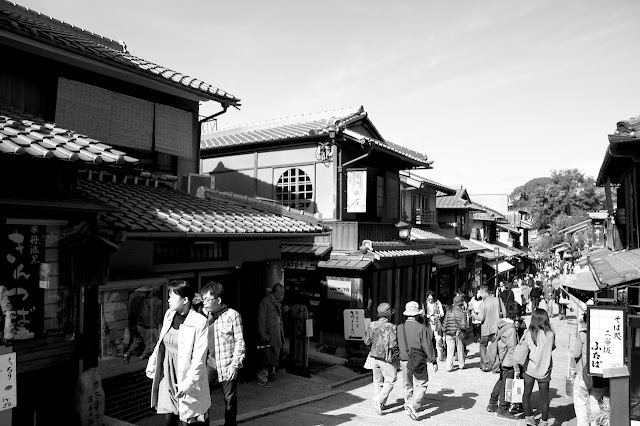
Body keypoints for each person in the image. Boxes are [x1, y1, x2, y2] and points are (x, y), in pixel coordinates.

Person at [145, 280, 210, 426]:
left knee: (188, 421)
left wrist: (187, 384)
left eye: (172, 297)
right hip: (167, 376)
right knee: (169, 419)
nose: (168, 300)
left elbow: (199, 359)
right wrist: (153, 363)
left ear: (185, 300)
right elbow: (160, 343)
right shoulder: (169, 314)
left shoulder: (199, 322)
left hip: (186, 377)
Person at [201, 281, 246, 426]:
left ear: (218, 300)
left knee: (229, 400)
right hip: (209, 363)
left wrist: (234, 365)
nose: (205, 303)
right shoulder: (204, 315)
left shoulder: (233, 315)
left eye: (208, 299)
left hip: (227, 363)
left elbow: (240, 341)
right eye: (203, 299)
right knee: (202, 398)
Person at [397, 301, 438, 421]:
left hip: (404, 359)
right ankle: (413, 405)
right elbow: (427, 345)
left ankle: (408, 403)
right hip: (418, 360)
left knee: (407, 383)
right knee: (421, 383)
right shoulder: (421, 328)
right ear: (417, 314)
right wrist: (433, 360)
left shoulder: (399, 328)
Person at [521, 309, 556, 426]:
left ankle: (529, 418)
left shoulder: (529, 333)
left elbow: (523, 348)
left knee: (527, 394)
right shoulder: (550, 334)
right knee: (545, 399)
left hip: (529, 369)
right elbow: (552, 348)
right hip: (544, 370)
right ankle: (544, 421)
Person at [364, 302, 399, 416]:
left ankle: (380, 404)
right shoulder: (391, 327)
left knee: (377, 381)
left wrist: (372, 349)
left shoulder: (372, 325)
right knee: (391, 379)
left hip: (374, 356)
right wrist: (397, 356)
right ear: (388, 315)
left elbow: (367, 341)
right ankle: (379, 399)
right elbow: (393, 345)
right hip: (386, 357)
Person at [487, 302, 521, 418]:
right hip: (508, 361)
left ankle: (492, 403)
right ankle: (503, 409)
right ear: (517, 316)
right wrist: (516, 368)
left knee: (501, 381)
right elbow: (512, 350)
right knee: (507, 385)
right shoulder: (511, 330)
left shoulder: (501, 324)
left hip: (501, 358)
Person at [573, 312, 605, 425]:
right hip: (600, 375)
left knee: (580, 402)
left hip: (584, 374)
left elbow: (576, 354)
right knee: (595, 402)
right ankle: (595, 424)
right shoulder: (606, 335)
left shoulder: (583, 334)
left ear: (586, 322)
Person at [257, 283, 285, 387]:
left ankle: (271, 374)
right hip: (269, 334)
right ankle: (262, 377)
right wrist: (262, 334)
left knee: (275, 355)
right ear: (276, 292)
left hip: (277, 332)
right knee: (267, 356)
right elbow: (261, 320)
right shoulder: (265, 301)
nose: (282, 296)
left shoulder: (276, 302)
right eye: (281, 293)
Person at [473, 286, 506, 372]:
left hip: (486, 329)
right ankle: (496, 365)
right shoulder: (498, 300)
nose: (480, 295)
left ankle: (485, 364)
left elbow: (481, 318)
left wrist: (474, 315)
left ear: (484, 293)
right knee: (496, 345)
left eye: (481, 294)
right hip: (497, 328)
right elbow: (504, 313)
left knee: (483, 345)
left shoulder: (483, 304)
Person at [443, 295, 468, 371]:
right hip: (458, 333)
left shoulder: (449, 311)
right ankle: (461, 365)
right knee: (460, 349)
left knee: (450, 350)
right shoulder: (463, 312)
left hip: (449, 333)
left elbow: (444, 325)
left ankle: (449, 367)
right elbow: (463, 325)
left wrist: (444, 332)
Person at [423, 291, 444, 360]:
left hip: (437, 322)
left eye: (431, 299)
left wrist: (438, 315)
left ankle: (440, 355)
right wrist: (427, 316)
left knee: (438, 339)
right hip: (428, 323)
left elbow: (442, 313)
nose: (430, 300)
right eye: (429, 299)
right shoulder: (425, 304)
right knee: (429, 339)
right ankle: (430, 356)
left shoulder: (437, 303)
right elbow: (423, 314)